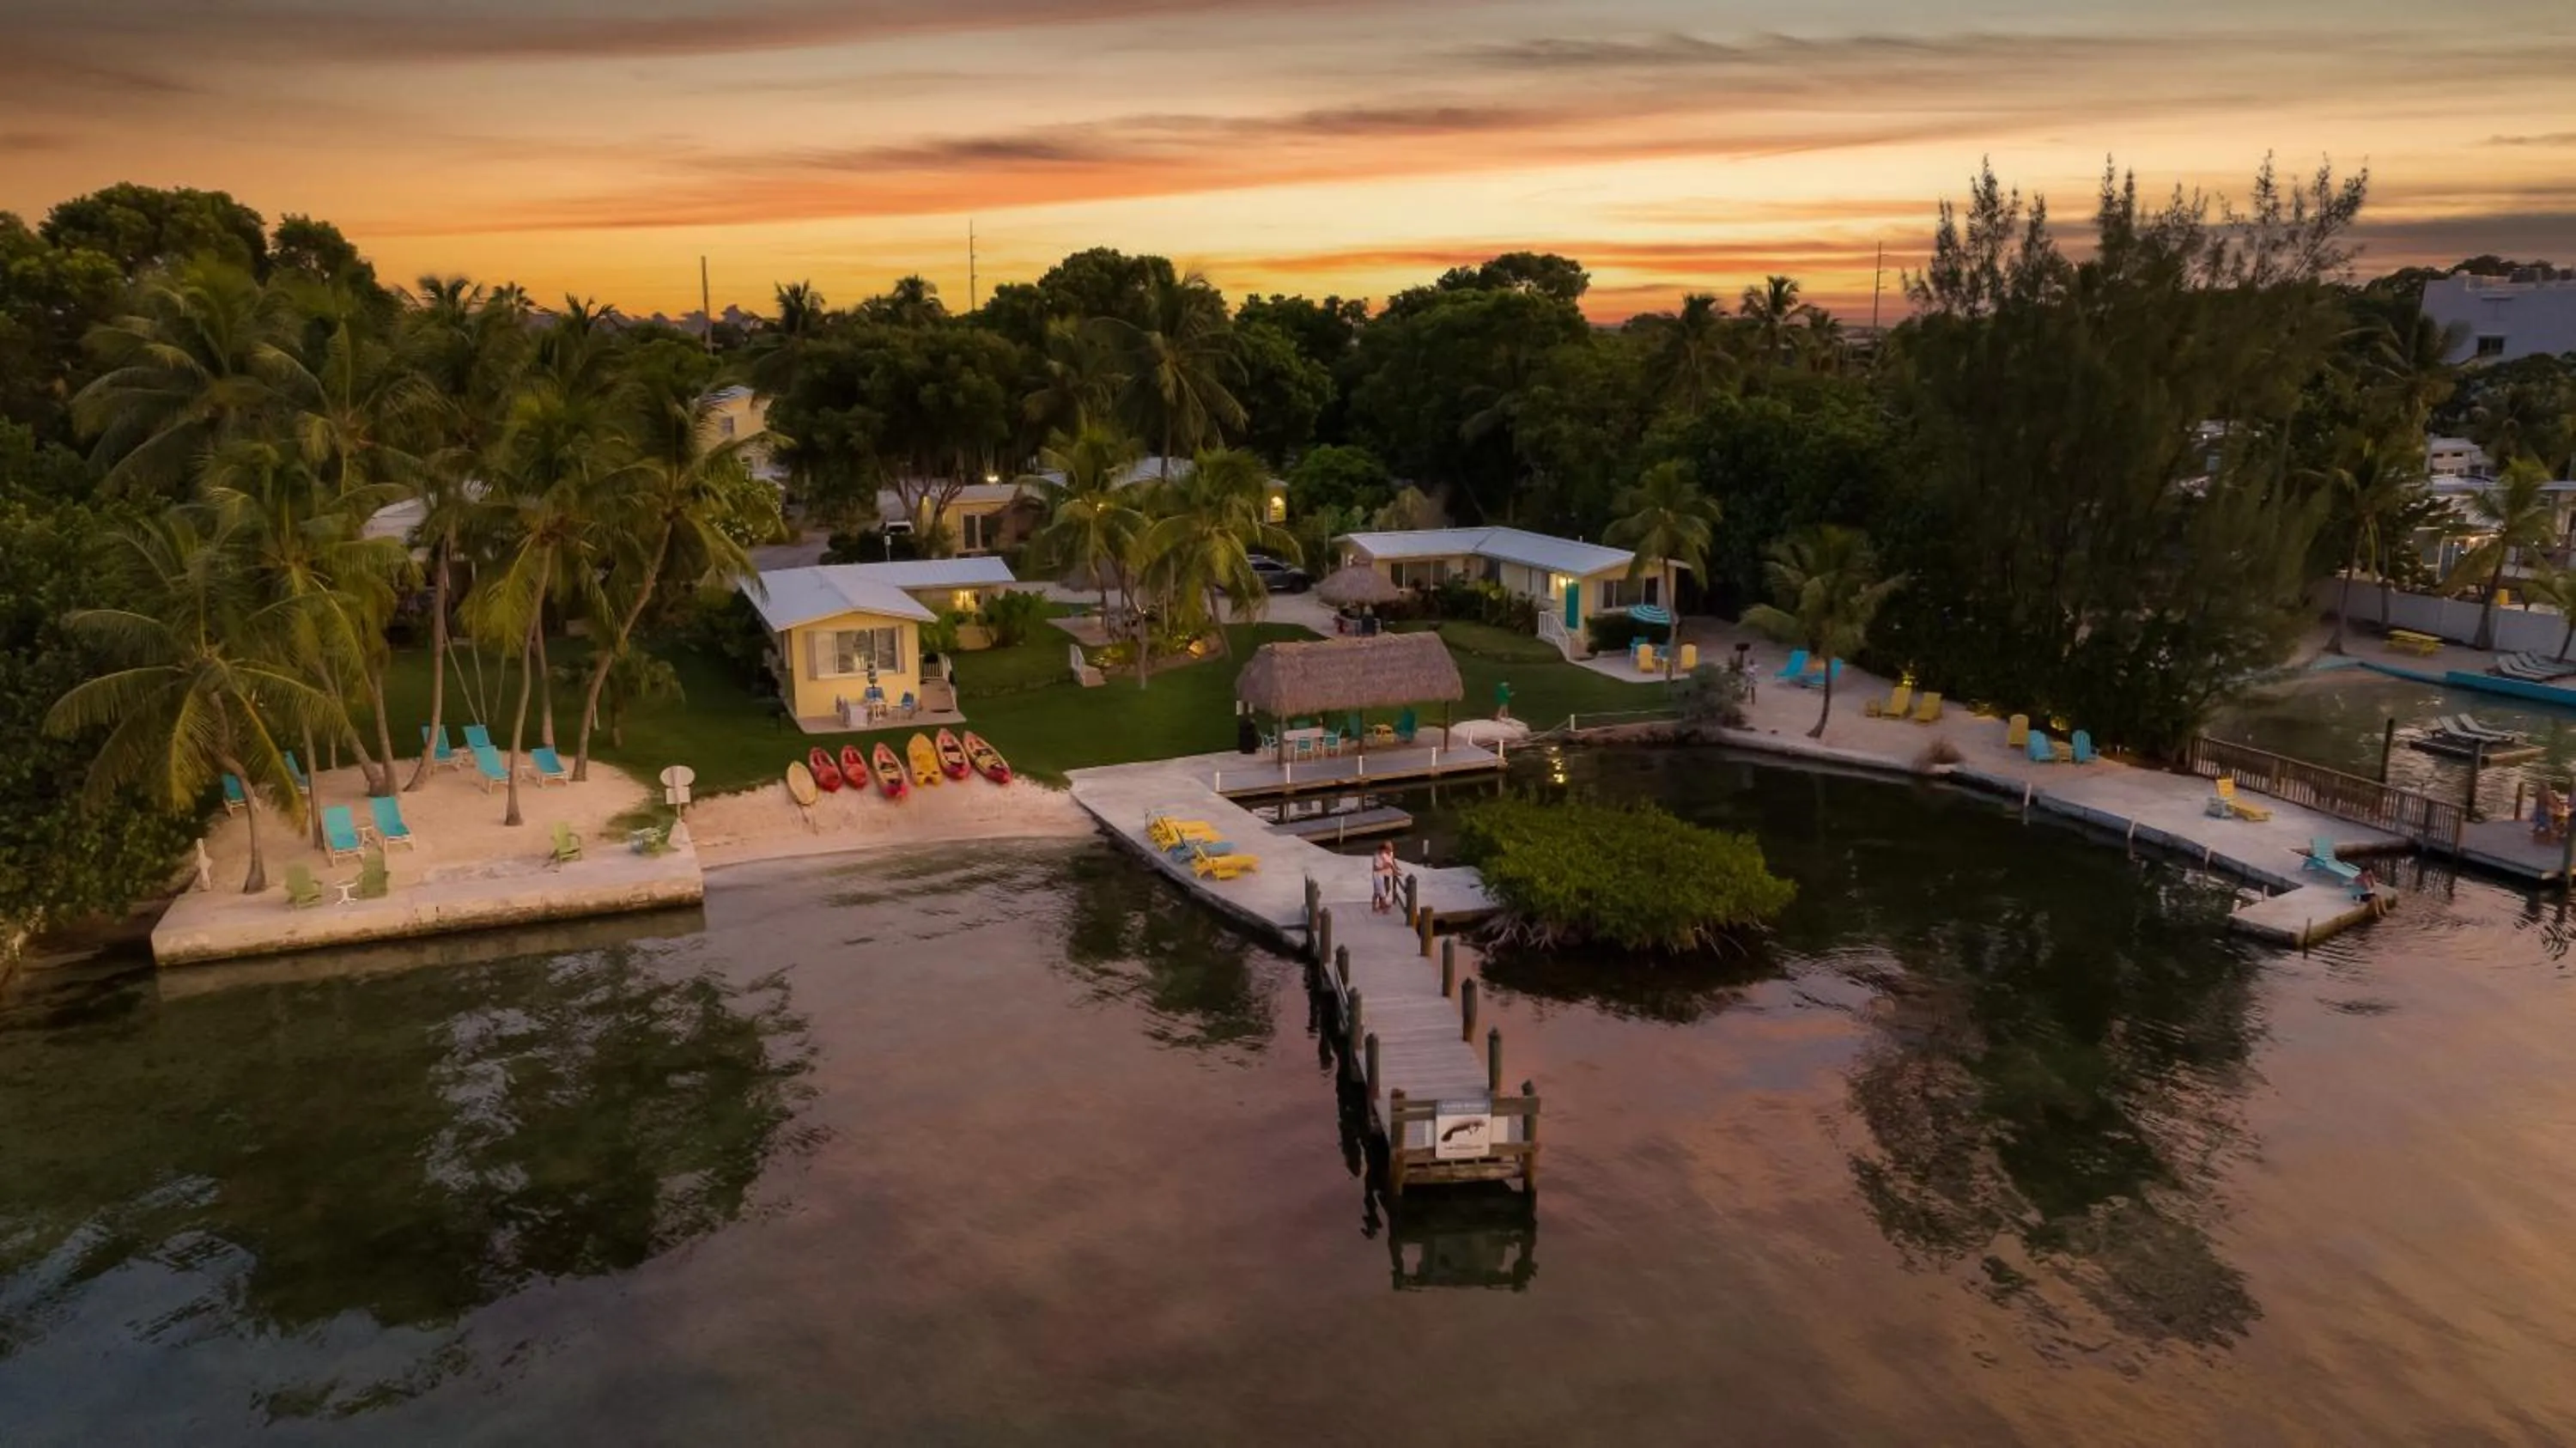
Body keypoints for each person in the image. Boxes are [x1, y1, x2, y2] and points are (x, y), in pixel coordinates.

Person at [1372, 842, 1399, 914]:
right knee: (1379, 892)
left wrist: (1395, 868)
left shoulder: (1388, 853)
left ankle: (1380, 905)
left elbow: (1391, 861)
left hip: (1384, 874)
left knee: (1382, 890)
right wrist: (1384, 867)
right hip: (1378, 876)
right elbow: (1376, 868)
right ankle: (1382, 907)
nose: (1390, 850)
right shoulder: (1378, 856)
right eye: (1389, 849)